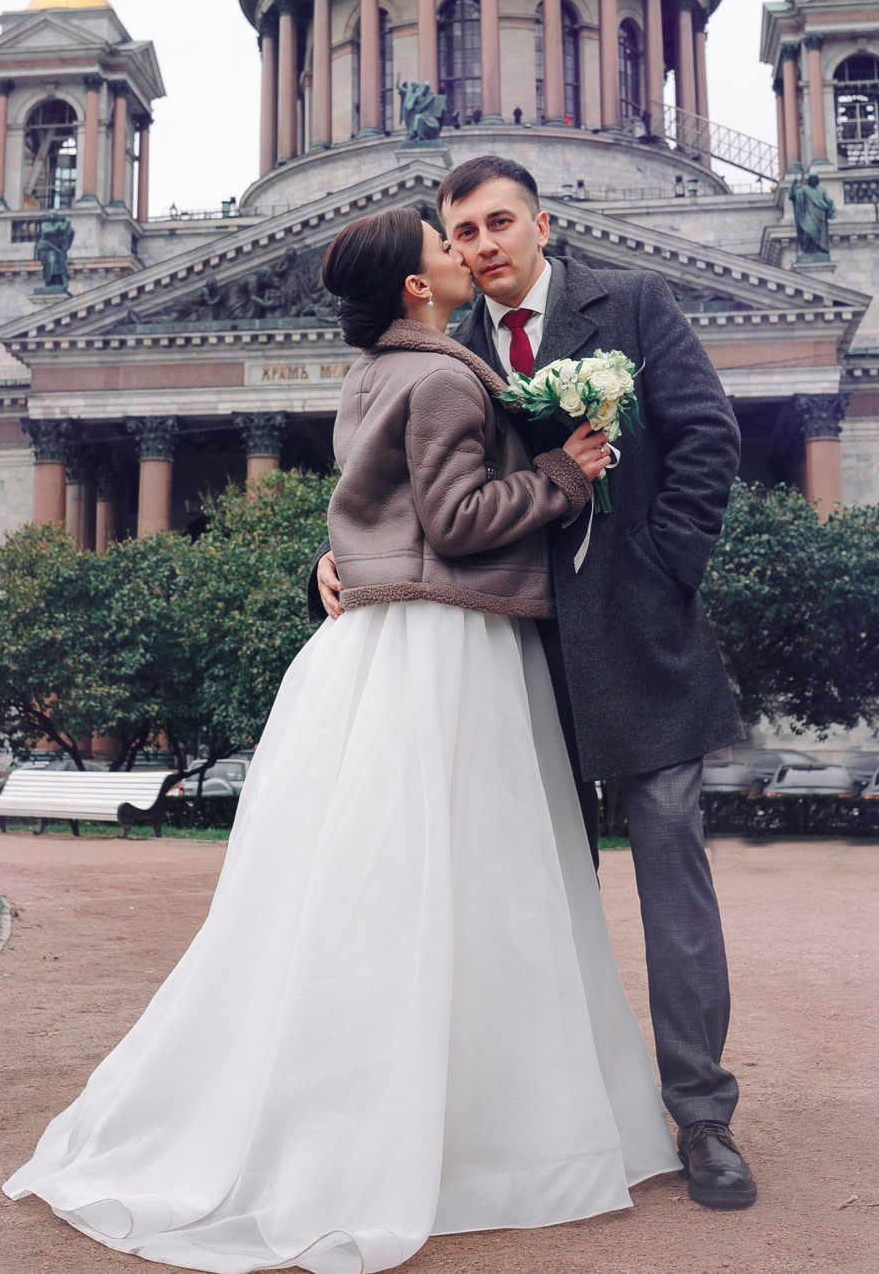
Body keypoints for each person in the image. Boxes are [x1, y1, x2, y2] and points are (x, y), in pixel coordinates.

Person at [7, 204, 667, 1271]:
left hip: (373, 649)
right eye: (443, 245)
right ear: (416, 286)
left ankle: (366, 1120)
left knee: (365, 890)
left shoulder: (369, 373)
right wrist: (565, 473)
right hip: (446, 649)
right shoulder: (449, 373)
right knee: (479, 885)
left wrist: (346, 561)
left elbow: (368, 509)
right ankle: (484, 1138)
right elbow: (453, 522)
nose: (462, 253)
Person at [314, 155, 754, 1211]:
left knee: (671, 883)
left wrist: (662, 573)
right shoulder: (446, 346)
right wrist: (322, 563)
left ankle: (702, 1118)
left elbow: (705, 436)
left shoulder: (631, 301)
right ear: (441, 258)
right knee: (525, 896)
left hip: (637, 646)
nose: (482, 247)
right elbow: (397, 487)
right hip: (506, 659)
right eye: (461, 234)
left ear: (542, 224)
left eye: (499, 223)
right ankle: (549, 1116)